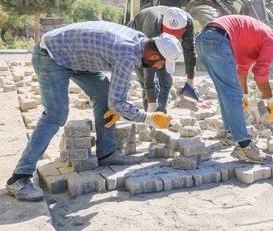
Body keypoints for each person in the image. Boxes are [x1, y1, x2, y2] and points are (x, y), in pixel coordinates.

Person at [5, 22, 182, 202]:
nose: (159, 67)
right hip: (51, 55)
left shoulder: (141, 41)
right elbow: (118, 100)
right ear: (152, 55)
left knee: (106, 97)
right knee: (55, 115)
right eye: (161, 63)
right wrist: (149, 118)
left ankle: (106, 153)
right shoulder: (127, 54)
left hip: (77, 59)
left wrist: (124, 103)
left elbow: (121, 86)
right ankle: (19, 178)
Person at [195, 15, 273, 163]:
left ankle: (229, 132)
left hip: (203, 40)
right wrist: (271, 101)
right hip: (217, 40)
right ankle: (244, 146)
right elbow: (260, 74)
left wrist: (245, 95)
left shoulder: (256, 39)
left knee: (224, 89)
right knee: (231, 92)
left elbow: (242, 69)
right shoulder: (271, 39)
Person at [128, 6, 198, 112]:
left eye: (175, 35)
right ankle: (151, 116)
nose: (171, 37)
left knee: (166, 81)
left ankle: (160, 115)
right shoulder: (153, 24)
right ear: (162, 25)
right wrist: (152, 101)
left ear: (183, 29)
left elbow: (189, 50)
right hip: (136, 39)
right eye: (169, 33)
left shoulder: (187, 22)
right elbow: (148, 66)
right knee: (149, 83)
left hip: (160, 44)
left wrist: (190, 81)